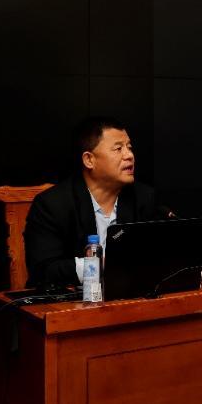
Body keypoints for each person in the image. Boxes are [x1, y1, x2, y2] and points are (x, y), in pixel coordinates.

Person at [25, 116, 173, 287]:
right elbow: (43, 271)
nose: (129, 155)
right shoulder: (52, 205)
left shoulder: (144, 198)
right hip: (72, 299)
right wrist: (99, 266)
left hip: (129, 296)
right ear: (89, 160)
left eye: (129, 147)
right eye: (118, 149)